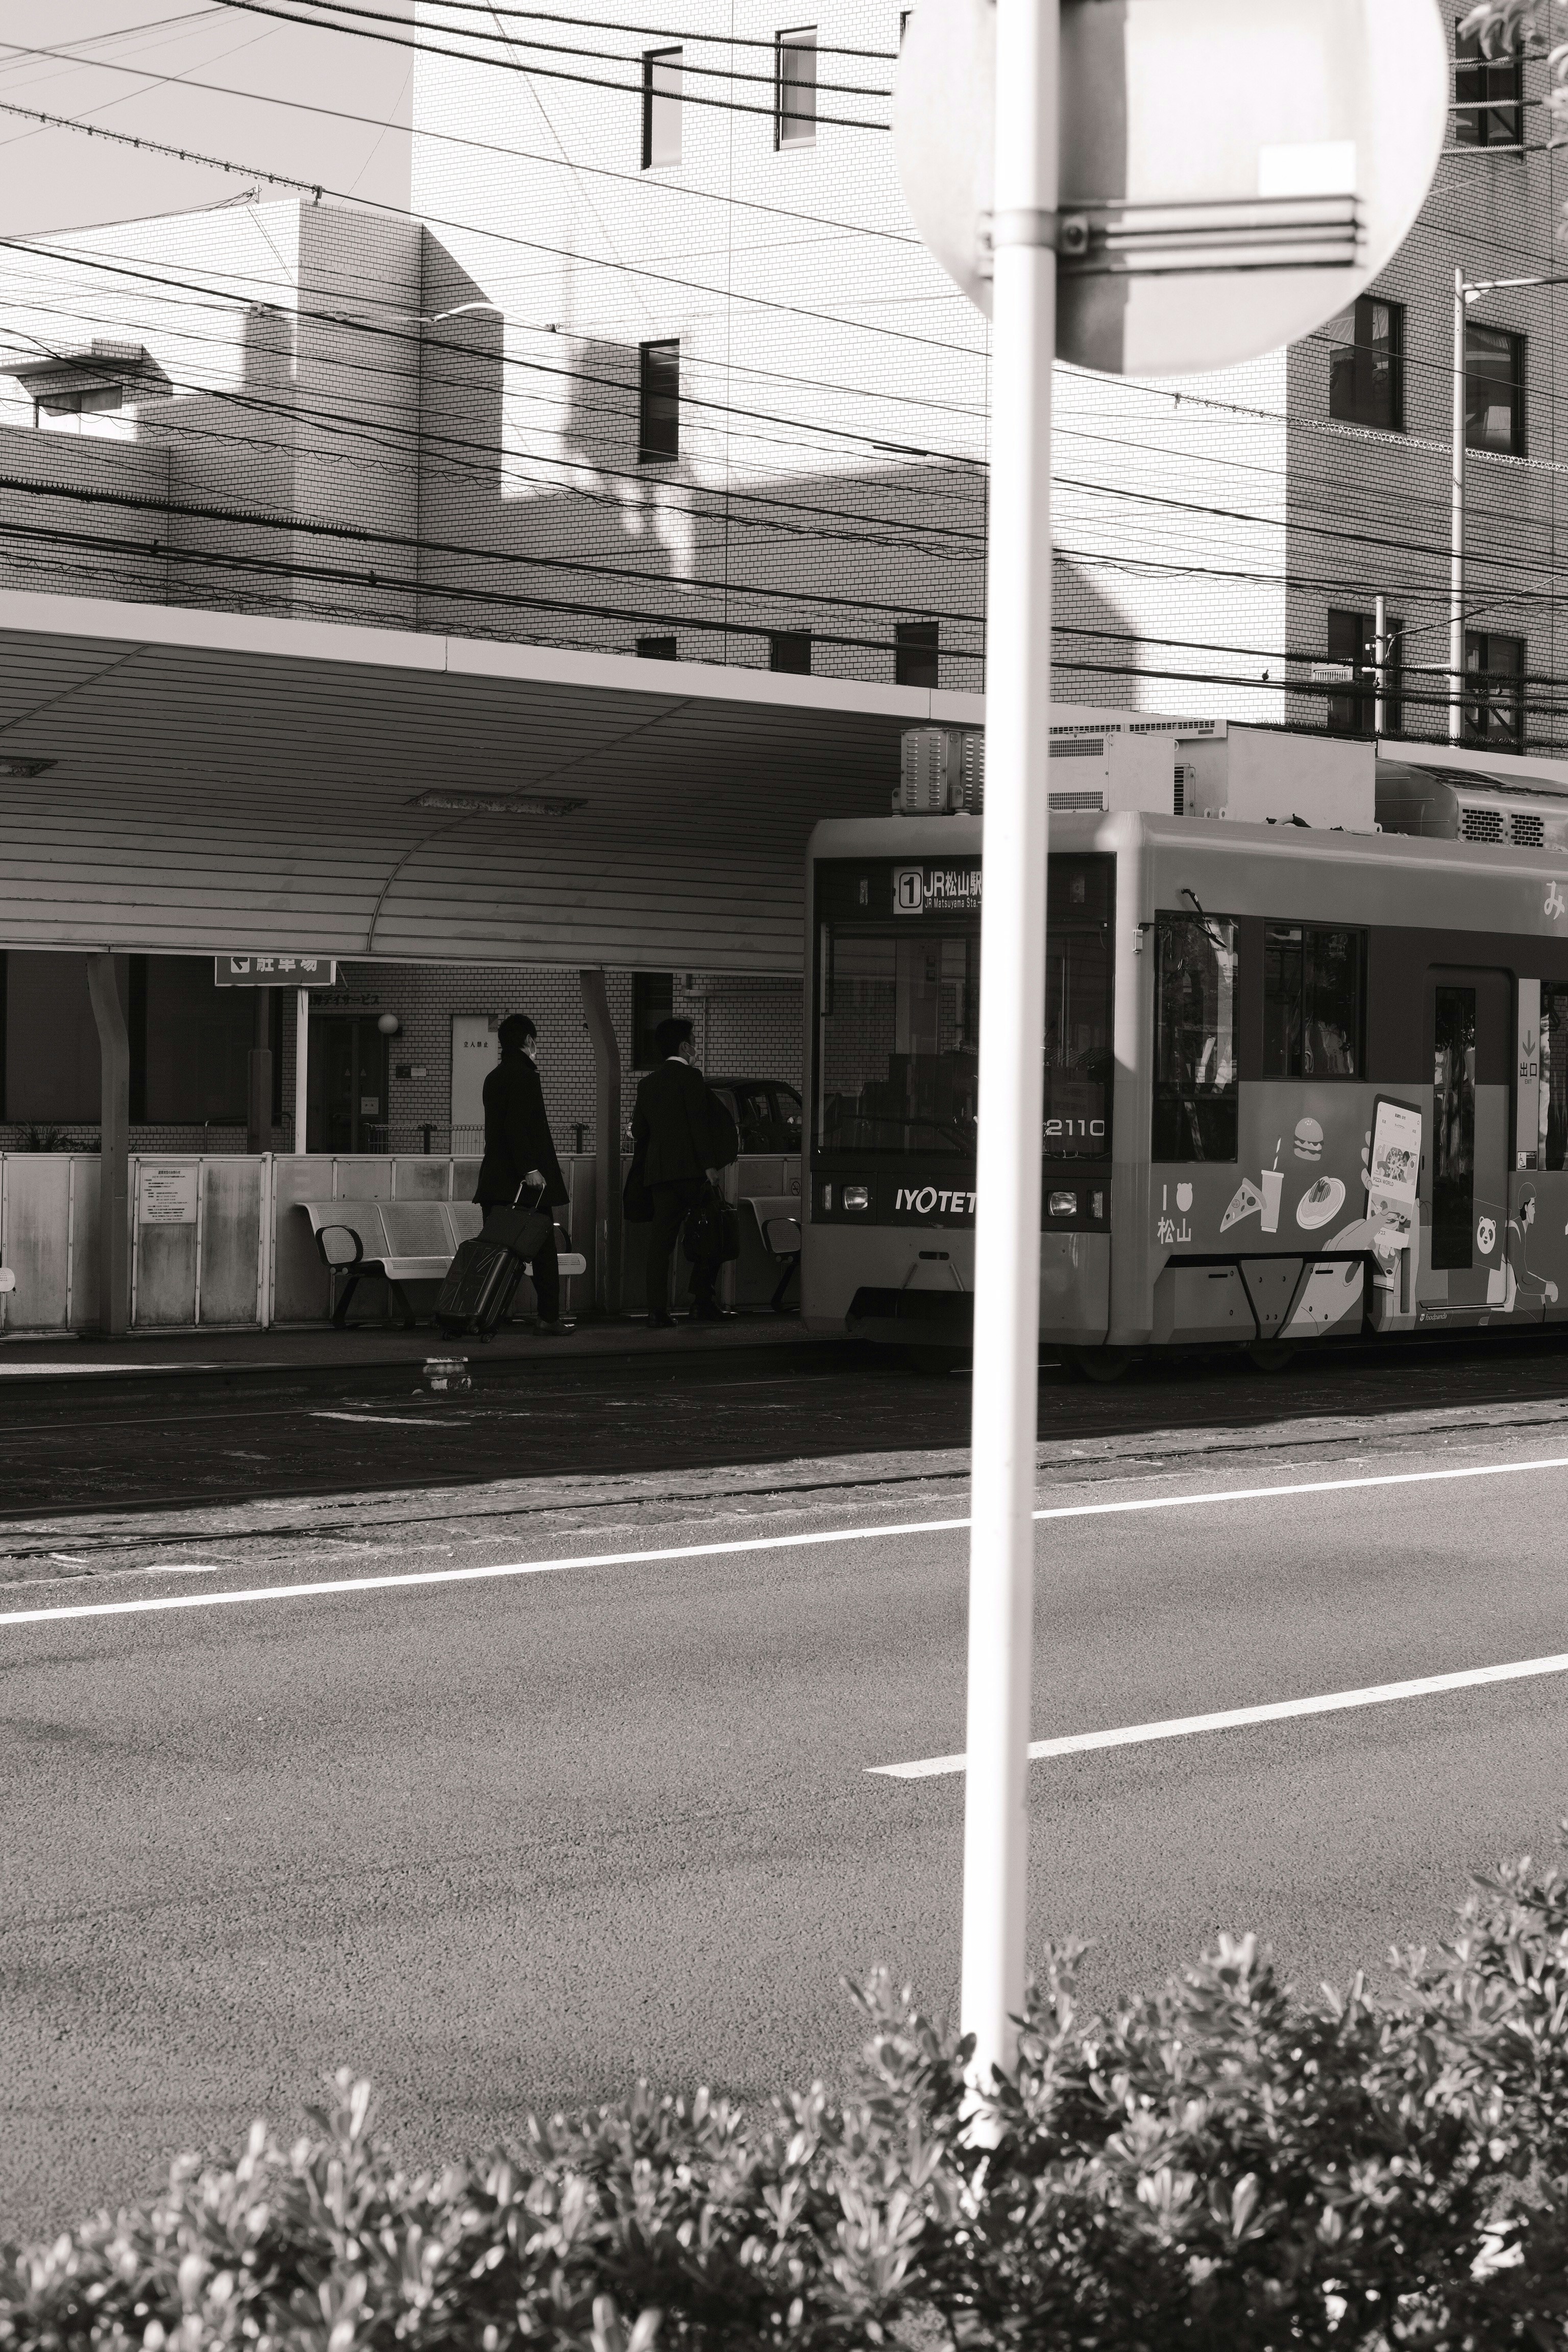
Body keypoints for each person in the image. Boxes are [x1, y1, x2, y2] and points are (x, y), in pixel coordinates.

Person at [632, 1015, 738, 1328]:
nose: (696, 1049)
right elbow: (699, 1125)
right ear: (684, 1046)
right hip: (693, 1175)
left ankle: (656, 1312)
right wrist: (709, 1166)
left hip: (660, 1176)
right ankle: (701, 1302)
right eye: (693, 1042)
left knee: (660, 1246)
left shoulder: (647, 1084)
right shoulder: (691, 1078)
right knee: (711, 1233)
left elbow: (638, 1131)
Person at [474, 1012, 572, 1335]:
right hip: (525, 1185)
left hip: (495, 1182)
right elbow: (519, 1127)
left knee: (497, 1252)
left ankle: (482, 1314)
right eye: (536, 1040)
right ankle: (549, 1317)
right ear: (529, 1041)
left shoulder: (494, 1076)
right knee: (544, 1253)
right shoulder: (526, 1076)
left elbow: (499, 1130)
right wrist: (531, 1169)